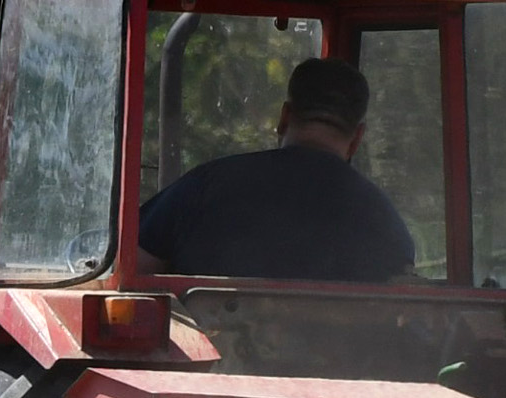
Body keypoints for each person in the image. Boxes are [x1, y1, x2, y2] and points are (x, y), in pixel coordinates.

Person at [137, 56, 416, 282]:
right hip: (348, 353)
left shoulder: (204, 188)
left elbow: (133, 267)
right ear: (357, 138)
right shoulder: (384, 220)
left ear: (284, 117)